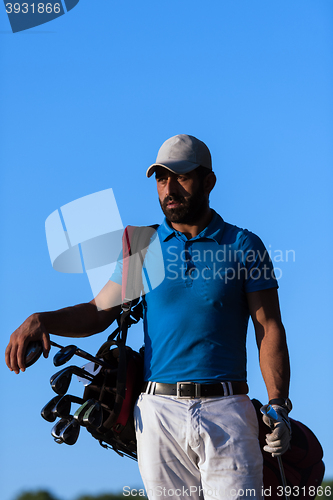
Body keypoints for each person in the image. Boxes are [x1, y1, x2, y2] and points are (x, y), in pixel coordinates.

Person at [6, 134, 291, 500]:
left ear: (209, 182)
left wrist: (278, 404)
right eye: (160, 178)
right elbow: (99, 311)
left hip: (228, 411)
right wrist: (41, 319)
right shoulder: (143, 246)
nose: (168, 188)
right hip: (158, 413)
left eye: (181, 177)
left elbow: (268, 328)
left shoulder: (242, 246)